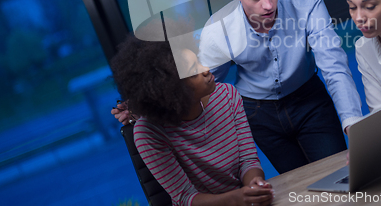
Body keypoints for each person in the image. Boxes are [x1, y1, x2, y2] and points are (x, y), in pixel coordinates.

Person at [195, 0, 363, 174]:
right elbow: (201, 85)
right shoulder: (217, 30)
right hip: (258, 114)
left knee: (340, 176)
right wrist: (147, 107)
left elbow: (334, 66)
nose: (268, 4)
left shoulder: (307, 4)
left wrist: (354, 127)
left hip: (310, 101)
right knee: (302, 190)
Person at [111, 34, 273, 206]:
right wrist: (236, 198)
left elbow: (247, 160)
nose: (206, 69)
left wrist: (253, 186)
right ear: (170, 89)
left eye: (199, 60)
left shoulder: (228, 95)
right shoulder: (149, 133)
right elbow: (185, 197)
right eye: (193, 71)